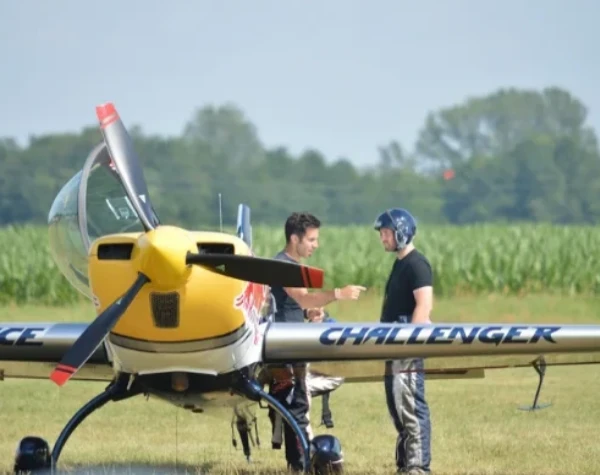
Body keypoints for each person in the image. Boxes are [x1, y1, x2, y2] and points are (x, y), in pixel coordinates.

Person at [267, 211, 366, 472]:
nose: (315, 245)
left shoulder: (291, 266)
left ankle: (297, 464)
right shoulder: (285, 266)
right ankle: (301, 465)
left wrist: (309, 314)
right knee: (297, 406)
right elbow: (303, 298)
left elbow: (294, 304)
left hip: (290, 346)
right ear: (294, 238)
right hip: (287, 350)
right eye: (311, 240)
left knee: (295, 406)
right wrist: (338, 294)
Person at [373, 208, 434, 475]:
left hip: (405, 340)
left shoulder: (417, 264)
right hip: (392, 340)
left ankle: (418, 467)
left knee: (410, 405)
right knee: (397, 405)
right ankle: (404, 465)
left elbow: (424, 306)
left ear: (401, 232)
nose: (383, 238)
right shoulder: (400, 263)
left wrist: (411, 343)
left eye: (386, 233)